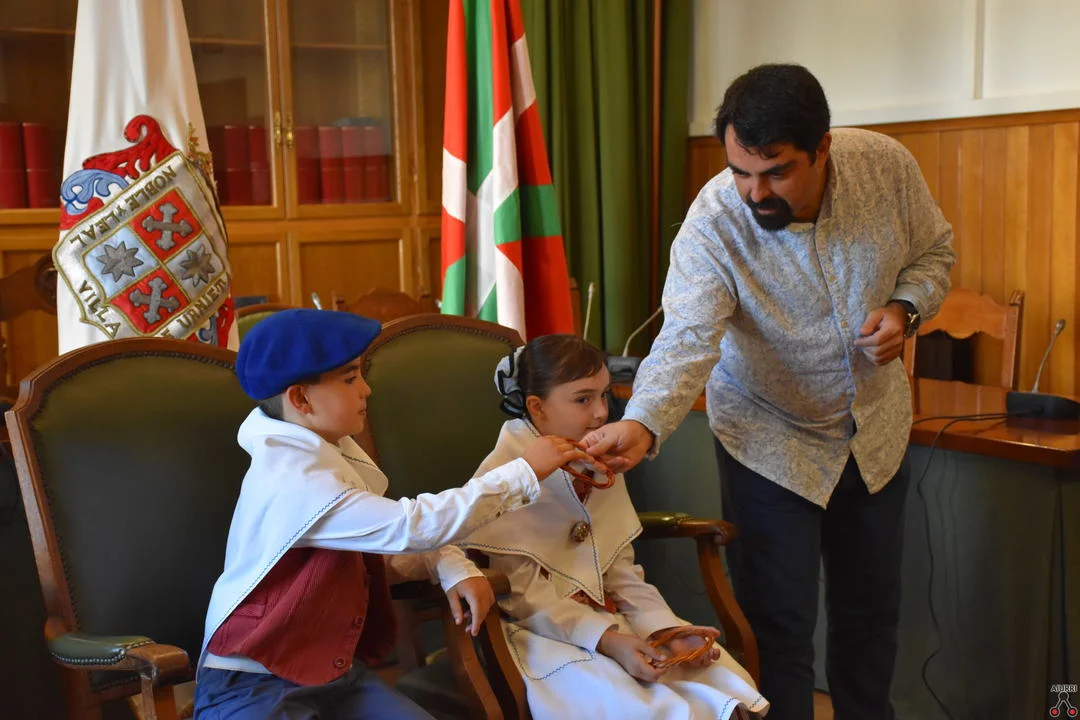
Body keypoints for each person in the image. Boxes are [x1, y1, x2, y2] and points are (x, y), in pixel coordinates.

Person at [582, 64, 955, 720]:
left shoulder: (886, 166)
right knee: (778, 626)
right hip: (769, 438)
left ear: (822, 148)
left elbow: (934, 254)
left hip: (874, 431)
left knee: (870, 614)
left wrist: (905, 309)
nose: (755, 192)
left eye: (776, 172)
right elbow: (687, 337)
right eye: (740, 171)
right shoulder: (714, 223)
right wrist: (641, 423)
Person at [193, 309, 594, 719]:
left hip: (333, 676)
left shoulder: (327, 447)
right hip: (255, 686)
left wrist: (451, 566)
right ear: (300, 399)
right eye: (350, 378)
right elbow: (409, 527)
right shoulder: (293, 476)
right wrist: (523, 472)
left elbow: (386, 543)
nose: (366, 389)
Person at [455, 334, 768, 719]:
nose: (602, 412)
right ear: (537, 407)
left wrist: (663, 630)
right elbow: (522, 597)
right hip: (541, 633)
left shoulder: (596, 461)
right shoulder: (505, 478)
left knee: (720, 685)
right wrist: (607, 641)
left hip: (610, 621)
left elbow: (619, 572)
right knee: (642, 706)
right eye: (583, 399)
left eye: (604, 395)